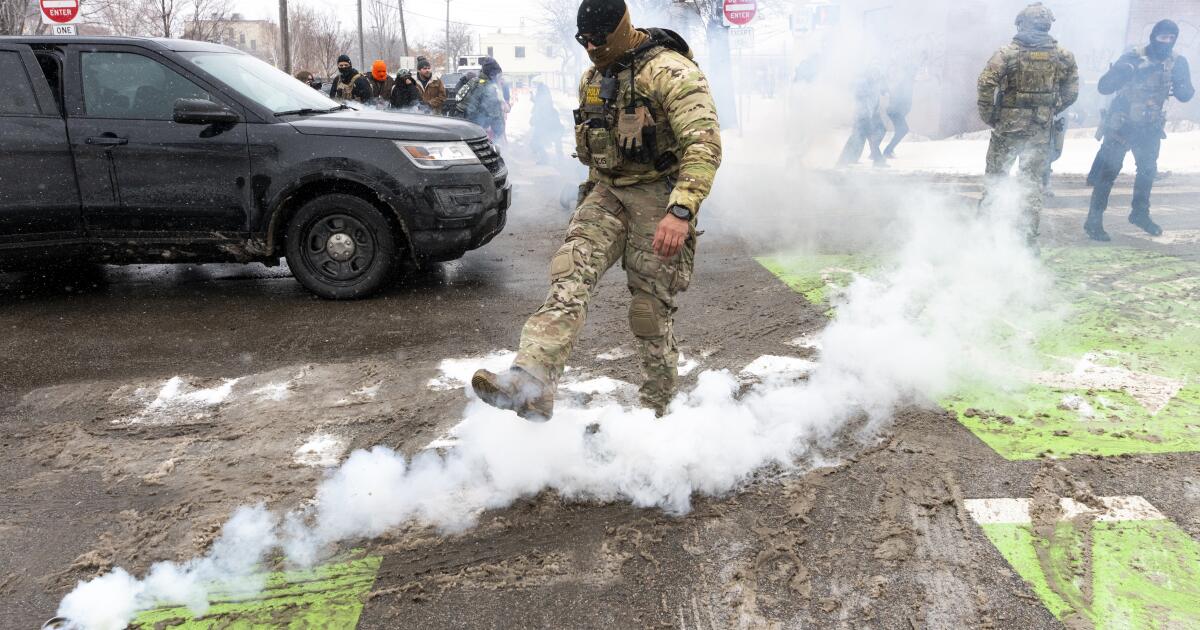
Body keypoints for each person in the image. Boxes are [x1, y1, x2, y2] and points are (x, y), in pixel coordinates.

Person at [470, 0, 722, 420]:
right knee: (569, 275)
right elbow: (597, 149)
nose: (589, 47)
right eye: (582, 40)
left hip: (660, 198)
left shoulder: (671, 73)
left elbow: (704, 145)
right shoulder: (593, 77)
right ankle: (531, 381)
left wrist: (681, 211)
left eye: (597, 40)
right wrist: (587, 196)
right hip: (608, 194)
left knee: (649, 313)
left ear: (620, 30)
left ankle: (657, 414)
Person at [977, 3, 1078, 247]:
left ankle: (984, 237)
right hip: (1040, 132)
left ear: (1021, 23)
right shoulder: (1063, 56)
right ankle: (1026, 242)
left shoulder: (1007, 53)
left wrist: (990, 114)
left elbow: (985, 83)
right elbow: (1071, 91)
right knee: (1031, 186)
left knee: (996, 180)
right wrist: (1050, 108)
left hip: (1008, 129)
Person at [1084, 19, 1194, 241]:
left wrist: (1183, 86)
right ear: (1154, 37)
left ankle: (1140, 213)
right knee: (1108, 174)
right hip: (1122, 125)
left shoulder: (1176, 62)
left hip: (1149, 127)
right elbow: (1104, 87)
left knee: (1147, 171)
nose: (1166, 42)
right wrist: (1126, 70)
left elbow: (1186, 93)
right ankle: (1093, 220)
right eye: (1163, 37)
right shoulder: (1134, 56)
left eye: (1171, 39)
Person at [836, 66, 888, 167]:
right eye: (874, 74)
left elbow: (874, 101)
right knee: (869, 138)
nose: (875, 76)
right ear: (869, 73)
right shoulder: (863, 83)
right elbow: (859, 96)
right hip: (862, 115)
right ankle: (878, 160)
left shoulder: (873, 85)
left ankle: (845, 160)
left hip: (866, 115)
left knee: (857, 137)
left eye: (877, 75)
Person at [463, 57, 506, 140]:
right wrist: (500, 130)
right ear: (492, 74)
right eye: (497, 74)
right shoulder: (486, 87)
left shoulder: (474, 81)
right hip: (474, 127)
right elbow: (494, 114)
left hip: (462, 124)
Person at [883, 60, 917, 158]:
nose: (914, 73)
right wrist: (898, 109)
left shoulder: (908, 81)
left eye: (914, 70)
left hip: (896, 111)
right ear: (909, 72)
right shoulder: (906, 82)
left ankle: (888, 150)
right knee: (903, 130)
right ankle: (887, 151)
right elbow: (895, 96)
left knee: (901, 130)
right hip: (895, 111)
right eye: (913, 71)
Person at [530, 82, 565, 164]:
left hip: (545, 123)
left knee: (536, 141)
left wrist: (535, 120)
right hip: (551, 123)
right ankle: (559, 159)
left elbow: (539, 109)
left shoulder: (542, 101)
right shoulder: (547, 99)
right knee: (556, 139)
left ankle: (546, 158)